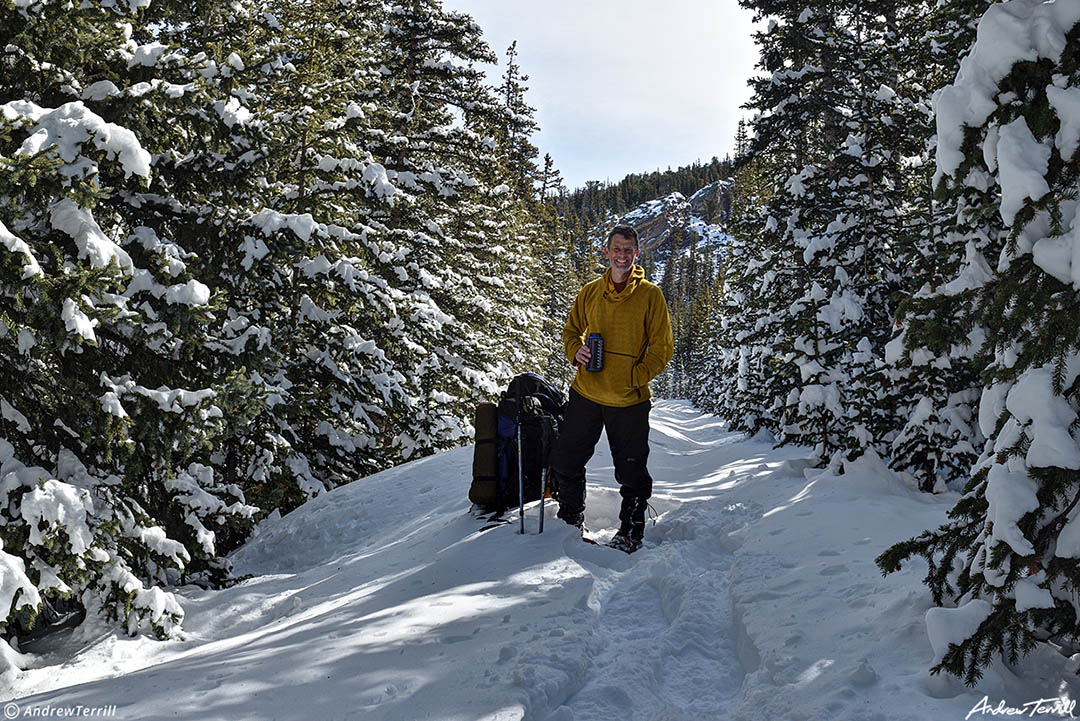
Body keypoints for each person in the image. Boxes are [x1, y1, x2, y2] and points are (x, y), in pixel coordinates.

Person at [552, 225, 673, 552]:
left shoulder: (650, 296)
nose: (622, 255)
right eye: (616, 249)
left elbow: (663, 347)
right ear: (606, 252)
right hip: (585, 394)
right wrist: (574, 351)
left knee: (632, 472)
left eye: (628, 250)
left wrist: (635, 377)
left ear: (636, 253)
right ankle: (570, 521)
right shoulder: (590, 292)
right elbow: (571, 331)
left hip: (629, 401)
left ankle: (631, 533)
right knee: (566, 461)